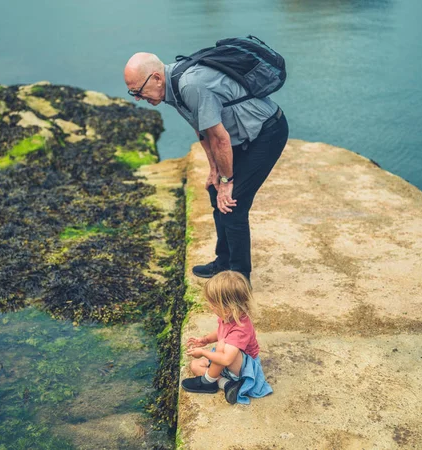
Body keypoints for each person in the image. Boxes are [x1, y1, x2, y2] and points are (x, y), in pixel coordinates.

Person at [124, 51, 289, 282]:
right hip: (241, 136)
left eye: (137, 90)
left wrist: (227, 181)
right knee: (215, 191)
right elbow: (202, 129)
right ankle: (223, 263)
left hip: (266, 132)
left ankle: (239, 280)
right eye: (132, 92)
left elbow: (220, 138)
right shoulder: (171, 87)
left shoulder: (190, 85)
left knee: (233, 203)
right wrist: (215, 171)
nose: (137, 98)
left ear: (156, 78)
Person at [181, 270, 272, 405]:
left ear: (228, 308)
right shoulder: (228, 317)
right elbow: (221, 332)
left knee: (221, 346)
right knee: (195, 365)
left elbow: (226, 358)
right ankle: (227, 384)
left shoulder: (241, 328)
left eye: (213, 304)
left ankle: (208, 382)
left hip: (242, 368)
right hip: (228, 365)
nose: (210, 307)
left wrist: (203, 352)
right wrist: (205, 340)